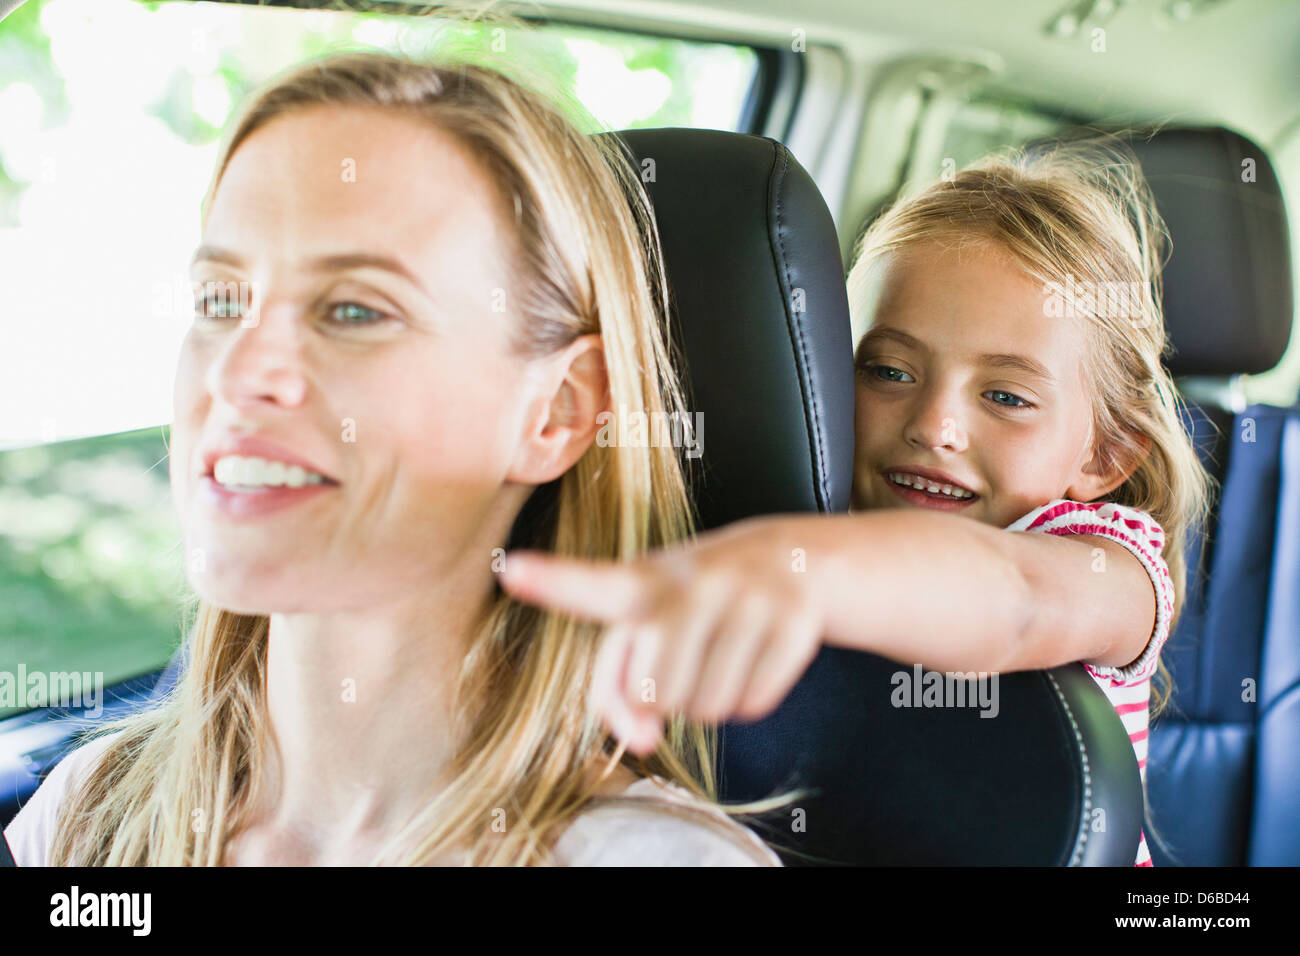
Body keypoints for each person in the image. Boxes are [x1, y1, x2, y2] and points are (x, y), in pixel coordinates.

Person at [2, 50, 781, 867]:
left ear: (556, 411)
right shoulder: (89, 810)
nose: (237, 373)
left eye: (353, 310)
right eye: (220, 301)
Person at [500, 138, 1214, 867]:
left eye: (1005, 396)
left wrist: (795, 571)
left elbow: (1018, 596)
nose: (935, 425)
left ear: (1106, 455)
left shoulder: (1108, 563)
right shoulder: (803, 514)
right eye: (886, 370)